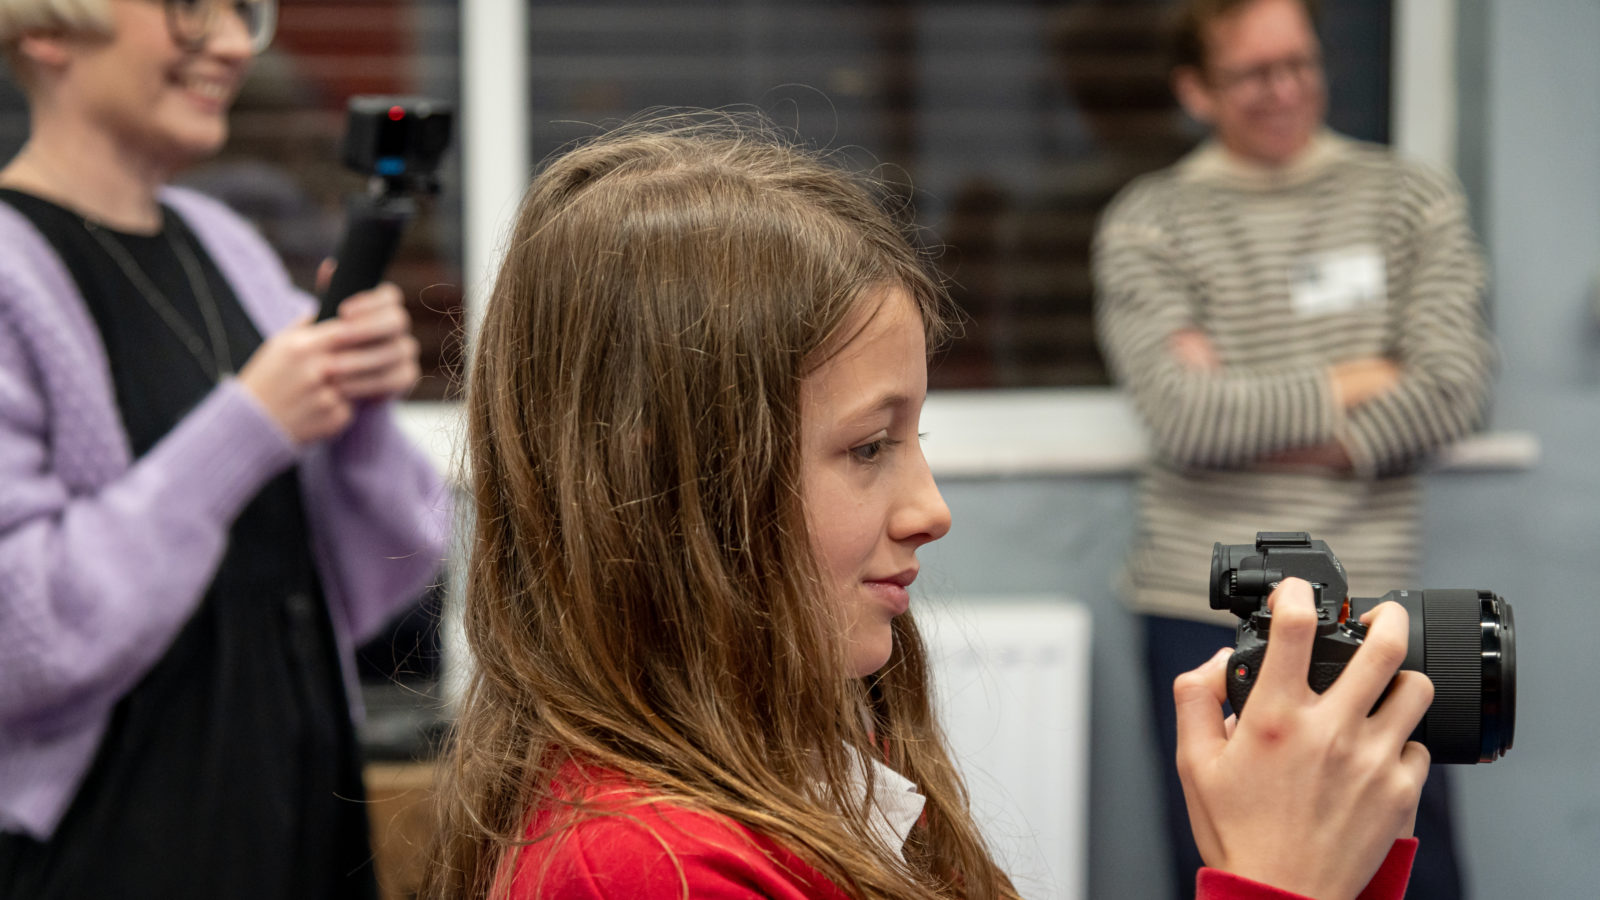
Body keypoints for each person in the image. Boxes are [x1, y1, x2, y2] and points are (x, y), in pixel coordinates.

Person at [420, 113, 1432, 900]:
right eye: (868, 447)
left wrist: (1326, 853)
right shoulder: (643, 869)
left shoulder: (823, 758)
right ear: (666, 482)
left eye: (915, 439)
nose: (929, 509)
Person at [0, 0, 451, 896]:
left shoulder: (228, 246)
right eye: (188, 9)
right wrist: (249, 427)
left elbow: (380, 575)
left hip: (298, 818)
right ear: (47, 30)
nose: (238, 44)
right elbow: (25, 640)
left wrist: (356, 415)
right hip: (110, 851)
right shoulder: (12, 274)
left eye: (246, 12)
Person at [1093, 0, 1496, 897]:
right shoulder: (1150, 220)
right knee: (1234, 870)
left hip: (1373, 600)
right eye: (1252, 73)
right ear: (1196, 90)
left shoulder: (1409, 199)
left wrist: (1252, 406)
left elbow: (1453, 388)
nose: (1285, 91)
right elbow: (1185, 418)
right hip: (1201, 604)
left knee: (1409, 869)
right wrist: (1364, 375)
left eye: (1300, 64)